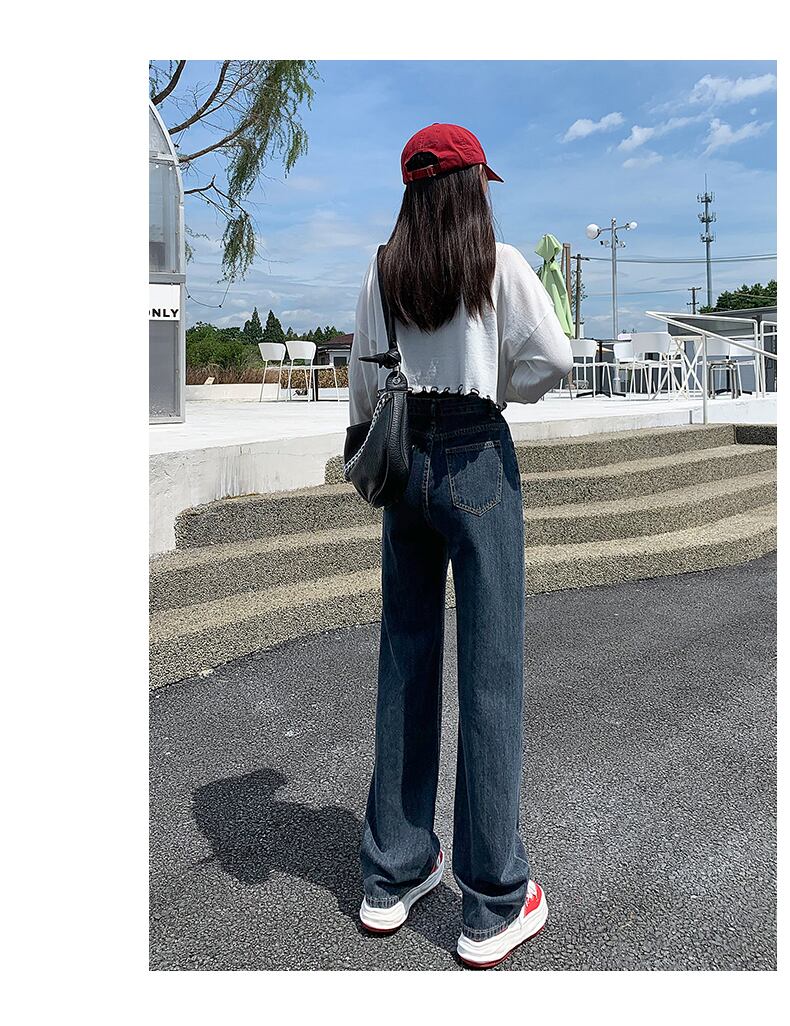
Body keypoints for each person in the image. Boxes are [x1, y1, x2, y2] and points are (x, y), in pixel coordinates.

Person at [349, 123, 573, 969]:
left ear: (412, 191)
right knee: (490, 671)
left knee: (406, 659)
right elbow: (553, 360)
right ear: (473, 185)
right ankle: (492, 903)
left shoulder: (383, 269)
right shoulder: (500, 265)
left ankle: (394, 873)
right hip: (478, 451)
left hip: (405, 460)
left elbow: (364, 378)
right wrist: (500, 386)